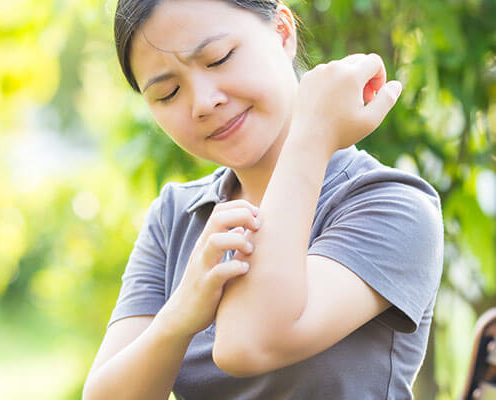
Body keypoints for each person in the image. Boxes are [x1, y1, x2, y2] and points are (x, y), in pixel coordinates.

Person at [82, 0, 444, 399]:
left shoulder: (391, 205)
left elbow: (248, 344)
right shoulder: (176, 216)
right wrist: (178, 318)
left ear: (282, 32)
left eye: (218, 59)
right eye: (168, 93)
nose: (203, 102)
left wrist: (314, 133)